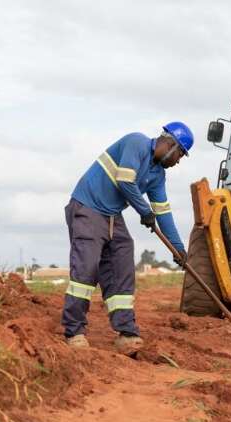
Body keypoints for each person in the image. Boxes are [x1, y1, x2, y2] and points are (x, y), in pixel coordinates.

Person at [62, 122, 193, 354]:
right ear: (171, 145)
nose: (178, 161)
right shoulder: (137, 142)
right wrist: (144, 212)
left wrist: (179, 250)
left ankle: (126, 332)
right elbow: (125, 181)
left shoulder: (157, 176)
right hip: (87, 207)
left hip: (112, 214)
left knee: (122, 261)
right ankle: (74, 331)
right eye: (180, 155)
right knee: (86, 270)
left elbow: (163, 212)